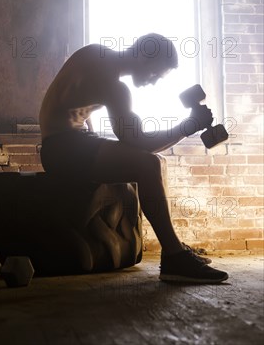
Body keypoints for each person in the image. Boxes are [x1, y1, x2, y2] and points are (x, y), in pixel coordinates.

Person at [39, 33, 228, 284]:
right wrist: (188, 127)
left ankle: (174, 245)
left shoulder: (96, 54)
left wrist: (97, 141)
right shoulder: (115, 85)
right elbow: (139, 141)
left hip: (66, 144)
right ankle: (174, 257)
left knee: (157, 162)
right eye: (154, 74)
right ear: (143, 56)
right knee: (148, 163)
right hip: (63, 150)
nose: (152, 83)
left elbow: (75, 103)